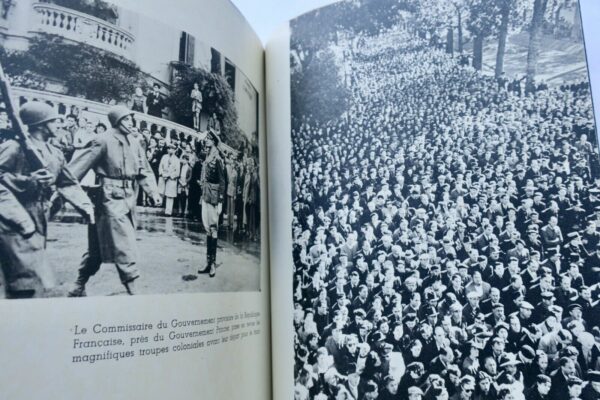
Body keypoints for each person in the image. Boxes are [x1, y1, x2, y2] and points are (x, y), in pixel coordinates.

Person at [0, 101, 93, 298]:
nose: (59, 125)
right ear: (41, 124)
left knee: (32, 276)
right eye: (54, 121)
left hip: (40, 215)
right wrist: (29, 181)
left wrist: (85, 206)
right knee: (24, 280)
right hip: (13, 217)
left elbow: (67, 182)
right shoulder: (14, 147)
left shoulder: (55, 152)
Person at [67, 105, 162, 296]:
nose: (131, 123)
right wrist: (65, 191)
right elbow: (75, 170)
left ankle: (78, 284)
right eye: (126, 119)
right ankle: (135, 292)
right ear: (116, 121)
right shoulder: (102, 140)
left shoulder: (134, 142)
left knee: (96, 251)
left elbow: (143, 171)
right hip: (108, 200)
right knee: (124, 246)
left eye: (131, 119)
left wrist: (153, 192)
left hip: (128, 200)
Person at [198, 129, 225, 277]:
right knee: (207, 228)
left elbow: (222, 181)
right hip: (206, 195)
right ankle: (208, 262)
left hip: (214, 197)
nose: (206, 140)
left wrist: (220, 200)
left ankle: (213, 263)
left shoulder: (218, 158)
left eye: (208, 138)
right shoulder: (207, 155)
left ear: (214, 141)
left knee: (213, 228)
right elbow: (198, 150)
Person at [158, 144, 180, 216]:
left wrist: (170, 176)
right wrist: (162, 173)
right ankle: (159, 208)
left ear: (174, 150)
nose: (170, 150)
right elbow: (160, 166)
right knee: (161, 193)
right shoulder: (164, 157)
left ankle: (168, 211)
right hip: (163, 177)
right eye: (169, 148)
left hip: (171, 179)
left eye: (172, 149)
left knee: (170, 195)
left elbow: (177, 172)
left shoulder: (177, 159)